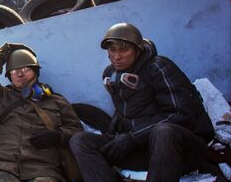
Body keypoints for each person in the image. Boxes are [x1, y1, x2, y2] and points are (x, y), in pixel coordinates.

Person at [69, 23, 215, 182]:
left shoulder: (158, 67)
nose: (116, 57)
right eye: (112, 50)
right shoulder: (111, 74)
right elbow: (129, 108)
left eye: (124, 50)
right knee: (80, 140)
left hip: (181, 150)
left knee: (164, 131)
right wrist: (116, 131)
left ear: (138, 50)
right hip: (143, 151)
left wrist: (132, 138)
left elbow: (181, 115)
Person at [0, 43, 83, 182]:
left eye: (25, 69)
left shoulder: (57, 101)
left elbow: (77, 130)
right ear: (9, 77)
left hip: (44, 168)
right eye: (13, 71)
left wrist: (58, 135)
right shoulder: (1, 97)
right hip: (3, 165)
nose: (19, 74)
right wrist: (6, 50)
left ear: (35, 72)